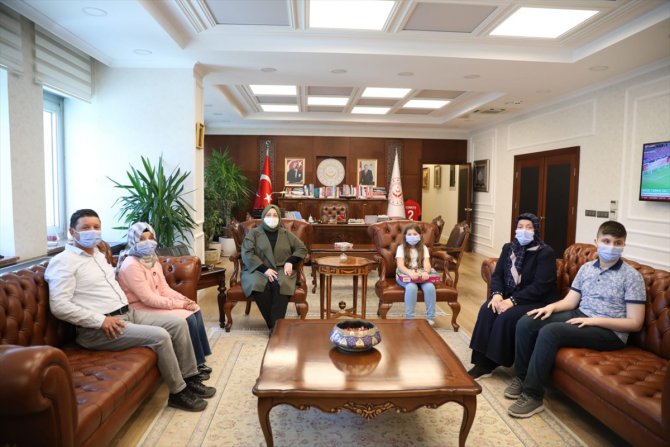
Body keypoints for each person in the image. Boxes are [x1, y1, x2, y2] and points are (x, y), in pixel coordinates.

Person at [44, 209, 216, 413]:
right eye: (86, 227)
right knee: (160, 336)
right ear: (72, 232)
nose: (93, 231)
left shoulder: (97, 255)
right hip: (100, 329)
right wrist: (100, 321)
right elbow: (60, 306)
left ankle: (190, 378)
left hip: (127, 314)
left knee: (178, 324)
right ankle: (178, 393)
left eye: (96, 227)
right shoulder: (63, 262)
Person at [505, 220, 646, 418]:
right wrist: (549, 308)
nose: (611, 247)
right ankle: (521, 377)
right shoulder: (587, 268)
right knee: (527, 321)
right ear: (596, 242)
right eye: (606, 241)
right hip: (581, 315)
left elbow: (635, 323)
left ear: (624, 244)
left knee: (550, 332)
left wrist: (594, 321)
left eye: (618, 243)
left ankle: (533, 395)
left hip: (610, 332)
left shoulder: (632, 277)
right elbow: (571, 302)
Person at [468, 213, 558, 380]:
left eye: (529, 228)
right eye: (520, 227)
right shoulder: (508, 248)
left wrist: (513, 301)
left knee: (506, 317)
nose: (524, 231)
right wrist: (496, 295)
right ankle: (481, 362)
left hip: (536, 299)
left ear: (536, 230)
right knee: (487, 310)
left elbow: (541, 286)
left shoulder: (545, 252)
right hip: (510, 295)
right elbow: (498, 275)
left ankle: (492, 361)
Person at [116, 222, 213, 375]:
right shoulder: (131, 265)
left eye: (151, 238)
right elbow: (148, 299)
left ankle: (199, 360)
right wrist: (178, 305)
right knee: (187, 317)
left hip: (156, 303)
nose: (148, 242)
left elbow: (164, 289)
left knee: (195, 309)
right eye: (142, 239)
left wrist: (184, 300)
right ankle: (194, 363)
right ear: (133, 240)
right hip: (140, 308)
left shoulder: (152, 259)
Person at [241, 204, 308, 330]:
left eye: (275, 215)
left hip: (281, 268)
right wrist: (264, 269)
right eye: (268, 215)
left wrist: (290, 261)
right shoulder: (253, 233)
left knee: (282, 283)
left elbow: (301, 248)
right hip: (257, 269)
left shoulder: (286, 233)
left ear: (279, 218)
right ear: (263, 217)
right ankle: (275, 327)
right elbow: (247, 253)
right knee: (257, 284)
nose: (272, 218)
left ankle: (275, 327)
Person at [395, 223, 436, 326]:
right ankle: (410, 318)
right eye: (409, 234)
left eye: (415, 234)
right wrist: (409, 273)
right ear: (405, 236)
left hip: (420, 274)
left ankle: (430, 317)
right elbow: (400, 265)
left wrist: (426, 272)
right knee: (411, 287)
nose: (412, 236)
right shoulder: (400, 248)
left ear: (420, 235)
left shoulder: (424, 248)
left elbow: (427, 263)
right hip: (405, 274)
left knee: (430, 287)